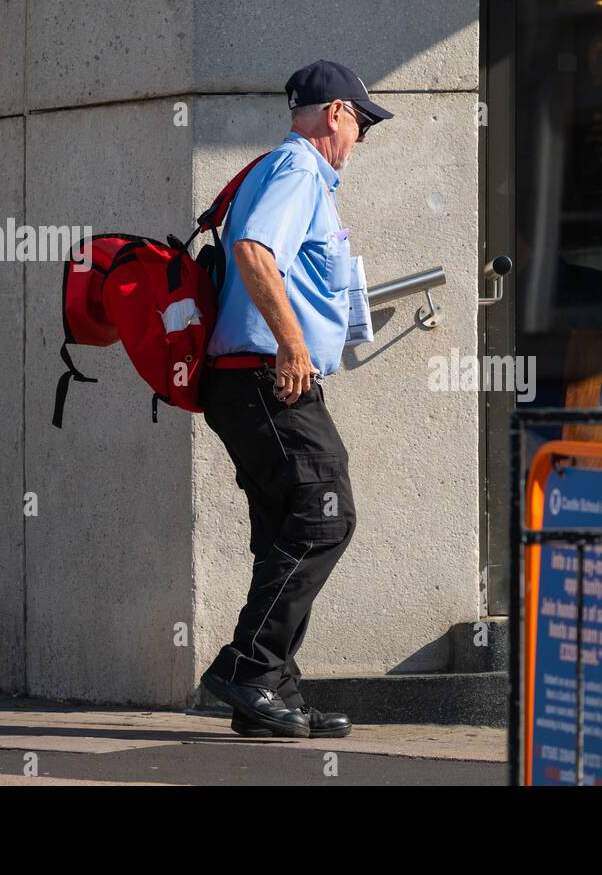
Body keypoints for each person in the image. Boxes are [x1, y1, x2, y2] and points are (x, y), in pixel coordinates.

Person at [198, 60, 391, 739]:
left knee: (288, 527)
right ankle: (248, 670)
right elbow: (253, 251)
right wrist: (291, 343)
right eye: (361, 122)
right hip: (267, 375)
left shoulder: (294, 173)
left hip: (253, 376)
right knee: (324, 515)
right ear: (337, 112)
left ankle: (270, 691)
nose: (360, 138)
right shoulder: (297, 169)